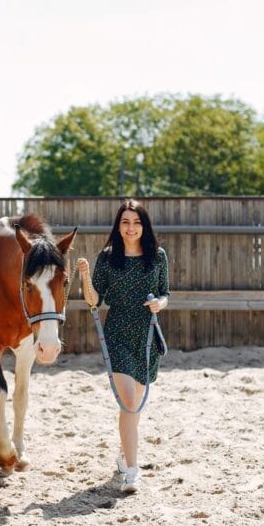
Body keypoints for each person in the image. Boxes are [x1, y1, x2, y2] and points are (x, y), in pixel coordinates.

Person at [76, 199, 169, 493]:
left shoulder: (158, 256)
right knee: (128, 403)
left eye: (136, 222)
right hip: (117, 334)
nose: (131, 228)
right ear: (118, 226)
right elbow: (94, 300)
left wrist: (159, 303)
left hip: (147, 336)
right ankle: (132, 471)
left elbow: (165, 293)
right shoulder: (107, 259)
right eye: (125, 222)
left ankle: (123, 455)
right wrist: (84, 276)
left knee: (134, 408)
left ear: (144, 226)